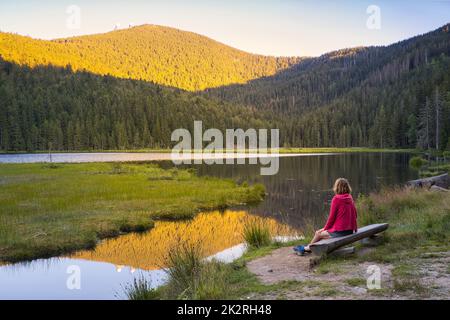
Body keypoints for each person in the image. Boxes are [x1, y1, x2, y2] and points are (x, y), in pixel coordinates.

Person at [295, 178, 358, 255]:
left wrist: (325, 228)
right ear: (348, 187)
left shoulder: (336, 199)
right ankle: (309, 247)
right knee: (319, 232)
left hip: (340, 231)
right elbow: (355, 214)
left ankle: (306, 249)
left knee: (318, 233)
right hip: (349, 230)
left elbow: (331, 218)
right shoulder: (350, 198)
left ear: (337, 187)